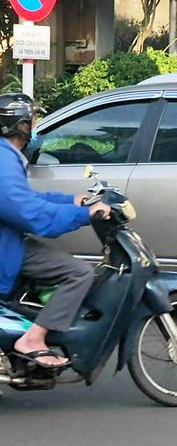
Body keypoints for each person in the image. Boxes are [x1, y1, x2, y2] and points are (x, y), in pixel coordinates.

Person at [0, 93, 110, 368]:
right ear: (21, 126)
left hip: (8, 239)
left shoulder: (6, 156)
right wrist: (84, 214)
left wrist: (71, 201)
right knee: (79, 273)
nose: (36, 125)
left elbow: (24, 199)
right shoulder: (3, 159)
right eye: (33, 120)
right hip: (5, 246)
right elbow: (30, 214)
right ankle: (32, 340)